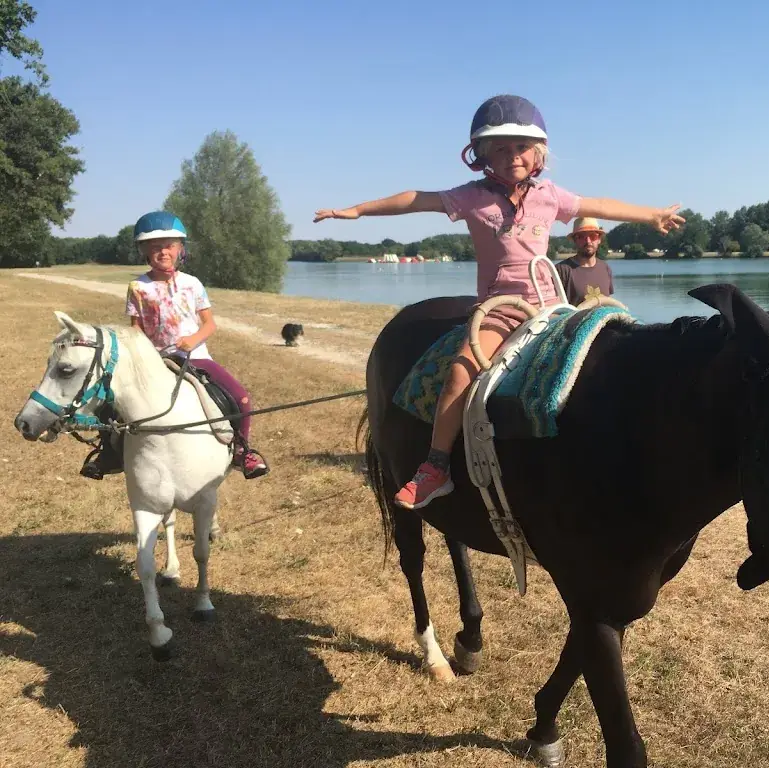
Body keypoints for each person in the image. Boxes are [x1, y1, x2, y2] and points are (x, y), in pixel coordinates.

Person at [314, 94, 685, 510]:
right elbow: (417, 199)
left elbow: (600, 204)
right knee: (460, 372)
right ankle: (436, 467)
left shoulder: (550, 196)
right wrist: (358, 211)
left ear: (538, 153)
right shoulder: (471, 197)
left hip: (553, 306)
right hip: (502, 309)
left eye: (522, 148)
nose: (513, 157)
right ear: (483, 153)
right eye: (502, 148)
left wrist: (651, 214)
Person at [80, 211, 269, 480]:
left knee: (241, 397)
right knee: (111, 401)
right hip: (153, 359)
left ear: (181, 249)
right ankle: (109, 454)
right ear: (143, 251)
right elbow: (136, 329)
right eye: (154, 247)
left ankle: (242, 450)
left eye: (169, 246)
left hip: (195, 356)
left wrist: (193, 340)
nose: (162, 252)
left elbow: (209, 324)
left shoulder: (192, 284)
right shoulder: (138, 287)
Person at [556, 216, 615, 306]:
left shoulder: (605, 268)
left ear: (599, 239)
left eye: (592, 236)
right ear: (574, 240)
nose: (588, 241)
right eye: (581, 237)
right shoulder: (562, 270)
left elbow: (609, 302)